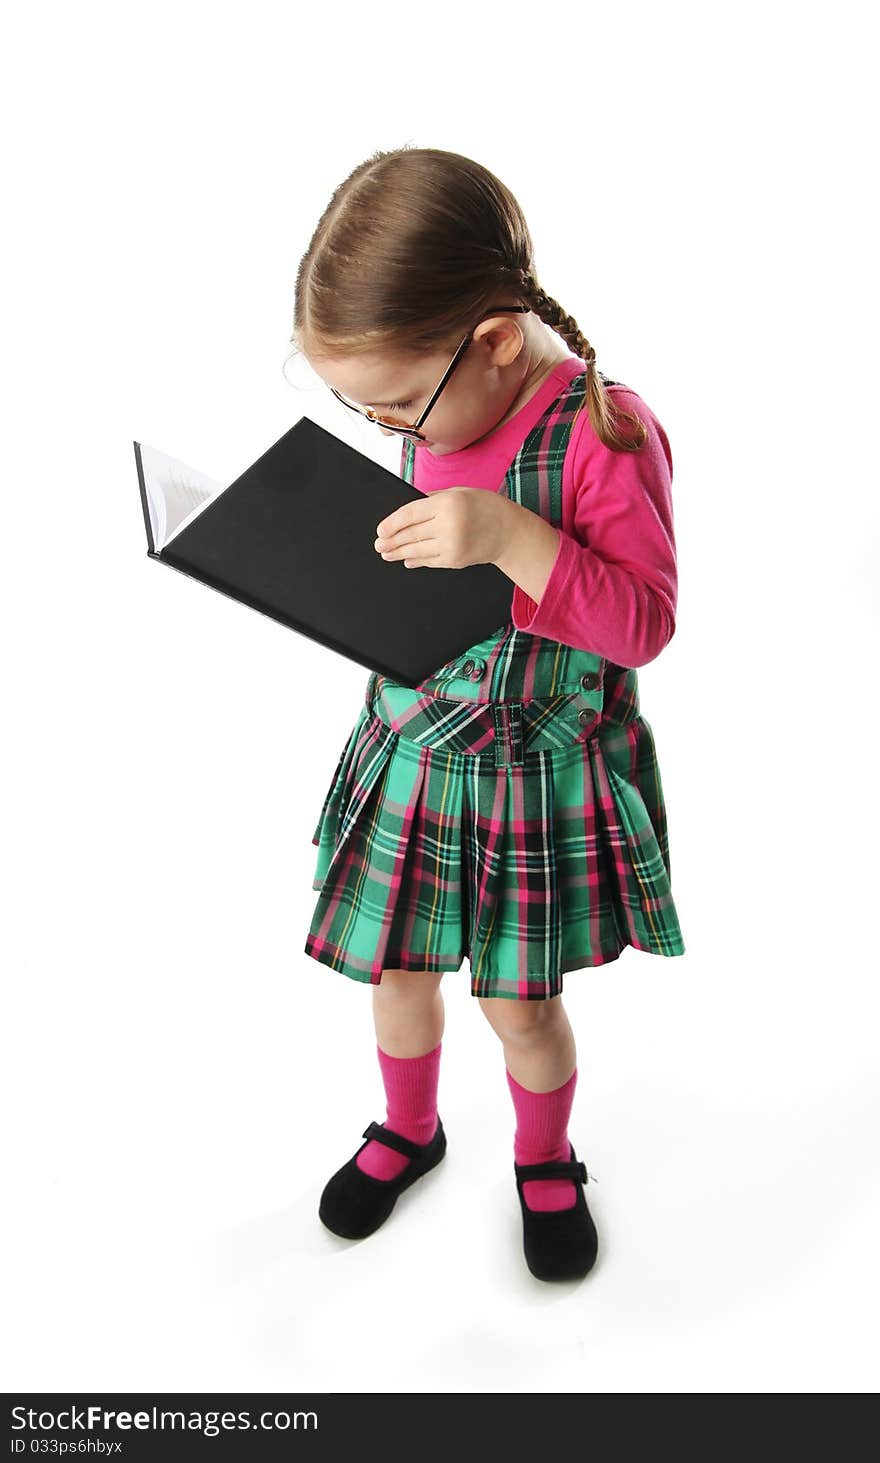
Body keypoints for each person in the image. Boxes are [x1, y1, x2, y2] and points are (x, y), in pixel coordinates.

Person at [285, 146, 685, 1283]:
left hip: (531, 769)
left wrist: (512, 535)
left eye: (396, 402)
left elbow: (645, 624)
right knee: (397, 973)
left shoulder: (607, 438)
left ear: (497, 342)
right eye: (354, 404)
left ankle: (545, 1154)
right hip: (419, 745)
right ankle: (410, 1127)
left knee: (517, 1002)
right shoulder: (442, 403)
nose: (385, 424)